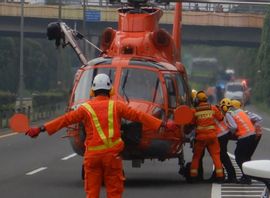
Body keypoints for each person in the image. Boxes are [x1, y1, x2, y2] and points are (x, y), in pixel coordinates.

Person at [25, 73, 174, 198]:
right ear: (110, 90)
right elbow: (139, 116)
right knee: (114, 192)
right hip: (112, 156)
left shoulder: (85, 109)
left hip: (92, 157)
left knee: (92, 193)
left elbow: (64, 120)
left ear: (92, 91)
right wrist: (162, 124)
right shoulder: (117, 106)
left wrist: (40, 128)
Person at [189, 91, 224, 183]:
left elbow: (191, 123)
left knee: (196, 156)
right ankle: (220, 177)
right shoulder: (212, 108)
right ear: (206, 99)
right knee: (216, 156)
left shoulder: (195, 110)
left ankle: (193, 177)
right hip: (212, 136)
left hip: (200, 137)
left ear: (197, 100)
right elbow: (220, 118)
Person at [220, 98, 256, 185]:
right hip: (252, 134)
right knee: (244, 157)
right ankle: (246, 176)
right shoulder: (240, 111)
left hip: (244, 136)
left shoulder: (229, 114)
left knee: (239, 156)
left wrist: (230, 133)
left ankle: (247, 178)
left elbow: (234, 127)